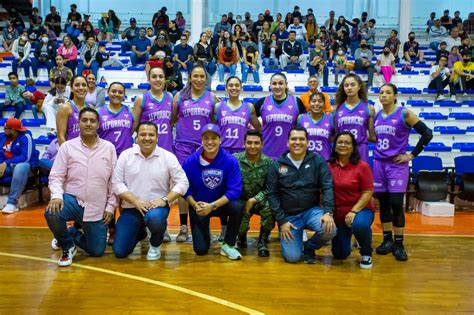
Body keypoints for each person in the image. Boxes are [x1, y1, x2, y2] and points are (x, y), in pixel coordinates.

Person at [45, 108, 117, 266]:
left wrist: (111, 207)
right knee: (52, 212)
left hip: (97, 206)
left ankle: (70, 233)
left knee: (97, 251)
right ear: (78, 123)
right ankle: (67, 245)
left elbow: (114, 181)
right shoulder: (67, 147)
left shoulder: (109, 148)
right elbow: (56, 176)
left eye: (92, 121)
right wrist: (56, 196)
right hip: (73, 201)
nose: (88, 124)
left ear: (98, 124)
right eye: (85, 120)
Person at [373, 83, 433, 261]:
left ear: (395, 95)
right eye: (381, 92)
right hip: (379, 163)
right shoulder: (377, 116)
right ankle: (387, 240)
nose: (384, 95)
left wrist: (412, 155)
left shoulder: (404, 113)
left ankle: (399, 244)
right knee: (382, 204)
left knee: (396, 204)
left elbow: (427, 133)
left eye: (388, 92)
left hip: (397, 165)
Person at [112, 121, 189, 260]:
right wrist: (135, 201)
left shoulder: (168, 156)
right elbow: (116, 183)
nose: (147, 138)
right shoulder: (125, 155)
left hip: (156, 208)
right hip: (132, 207)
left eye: (151, 135)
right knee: (120, 251)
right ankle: (141, 233)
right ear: (136, 137)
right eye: (143, 134)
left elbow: (183, 182)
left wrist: (165, 200)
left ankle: (155, 244)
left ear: (157, 137)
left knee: (155, 219)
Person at [266, 126, 336, 263]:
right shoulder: (277, 165)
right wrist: (282, 221)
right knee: (292, 258)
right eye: (293, 139)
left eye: (301, 139)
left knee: (330, 230)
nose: (297, 142)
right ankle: (294, 246)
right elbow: (272, 194)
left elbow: (327, 186)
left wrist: (328, 212)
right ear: (287, 142)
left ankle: (309, 247)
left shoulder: (317, 161)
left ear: (307, 142)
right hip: (289, 216)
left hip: (311, 211)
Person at [172, 66, 219, 241]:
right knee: (183, 184)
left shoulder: (212, 98)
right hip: (183, 147)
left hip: (203, 147)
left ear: (206, 79)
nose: (199, 79)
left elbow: (214, 123)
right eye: (195, 76)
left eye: (202, 76)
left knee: (205, 183)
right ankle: (183, 226)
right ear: (190, 78)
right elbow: (172, 119)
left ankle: (203, 223)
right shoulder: (179, 97)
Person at [182, 124, 243, 260]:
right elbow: (184, 187)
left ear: (220, 140)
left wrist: (213, 206)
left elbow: (235, 190)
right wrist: (194, 204)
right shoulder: (190, 161)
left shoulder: (230, 161)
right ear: (201, 140)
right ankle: (205, 231)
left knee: (237, 206)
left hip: (219, 205)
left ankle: (228, 244)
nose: (210, 142)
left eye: (214, 138)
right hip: (199, 206)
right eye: (206, 138)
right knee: (201, 250)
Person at [328, 131, 374, 269]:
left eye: (347, 143)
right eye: (340, 142)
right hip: (338, 213)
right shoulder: (328, 166)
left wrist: (354, 211)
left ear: (353, 147)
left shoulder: (362, 166)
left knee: (359, 225)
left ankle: (366, 252)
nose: (343, 145)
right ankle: (349, 236)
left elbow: (368, 192)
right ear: (335, 146)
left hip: (360, 210)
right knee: (340, 254)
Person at [235, 130, 273, 256]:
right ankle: (241, 237)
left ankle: (262, 241)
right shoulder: (235, 160)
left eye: (256, 143)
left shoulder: (269, 163)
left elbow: (271, 188)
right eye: (249, 142)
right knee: (240, 230)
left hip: (259, 201)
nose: (252, 146)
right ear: (244, 144)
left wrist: (254, 199)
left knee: (270, 209)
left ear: (262, 145)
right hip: (240, 201)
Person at [253, 73, 306, 159]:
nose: (277, 86)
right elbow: (250, 118)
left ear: (286, 85)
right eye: (274, 83)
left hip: (290, 154)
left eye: (281, 83)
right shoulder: (262, 102)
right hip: (266, 155)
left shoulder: (297, 102)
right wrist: (259, 128)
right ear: (270, 85)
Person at [0, 118, 39, 214]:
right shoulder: (3, 137)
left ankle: (11, 204)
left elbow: (26, 157)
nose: (4, 130)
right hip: (6, 165)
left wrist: (6, 163)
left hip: (27, 167)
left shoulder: (26, 137)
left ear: (12, 130)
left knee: (20, 166)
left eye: (6, 128)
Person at [334, 74, 376, 162]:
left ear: (359, 86)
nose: (349, 88)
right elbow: (335, 134)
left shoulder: (369, 108)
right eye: (346, 85)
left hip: (360, 150)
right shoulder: (336, 109)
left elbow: (372, 136)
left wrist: (361, 136)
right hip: (342, 150)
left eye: (353, 85)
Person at [133, 67, 174, 153]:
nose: (158, 79)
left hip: (167, 147)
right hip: (147, 147)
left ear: (164, 80)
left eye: (161, 76)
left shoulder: (170, 97)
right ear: (149, 80)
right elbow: (134, 126)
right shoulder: (141, 98)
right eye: (154, 76)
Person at [215, 76, 260, 154]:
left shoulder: (249, 107)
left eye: (237, 85)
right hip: (222, 150)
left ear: (241, 88)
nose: (234, 88)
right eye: (231, 85)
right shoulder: (218, 106)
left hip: (242, 151)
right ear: (226, 88)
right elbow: (212, 129)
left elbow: (258, 128)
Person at [97, 82, 133, 157]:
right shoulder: (98, 112)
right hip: (105, 155)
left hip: (125, 156)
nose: (117, 94)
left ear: (124, 95)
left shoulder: (130, 110)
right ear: (108, 92)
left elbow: (133, 130)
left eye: (120, 92)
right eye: (113, 91)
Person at [297, 92, 334, 160]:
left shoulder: (330, 118)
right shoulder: (301, 118)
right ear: (309, 103)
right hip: (305, 160)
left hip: (325, 160)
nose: (317, 104)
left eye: (320, 101)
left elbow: (333, 138)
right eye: (313, 101)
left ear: (324, 104)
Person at [56, 75, 90, 144]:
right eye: (77, 85)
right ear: (71, 88)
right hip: (71, 152)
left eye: (84, 85)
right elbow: (60, 137)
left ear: (87, 88)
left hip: (88, 152)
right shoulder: (65, 108)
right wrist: (67, 154)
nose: (81, 88)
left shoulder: (90, 108)